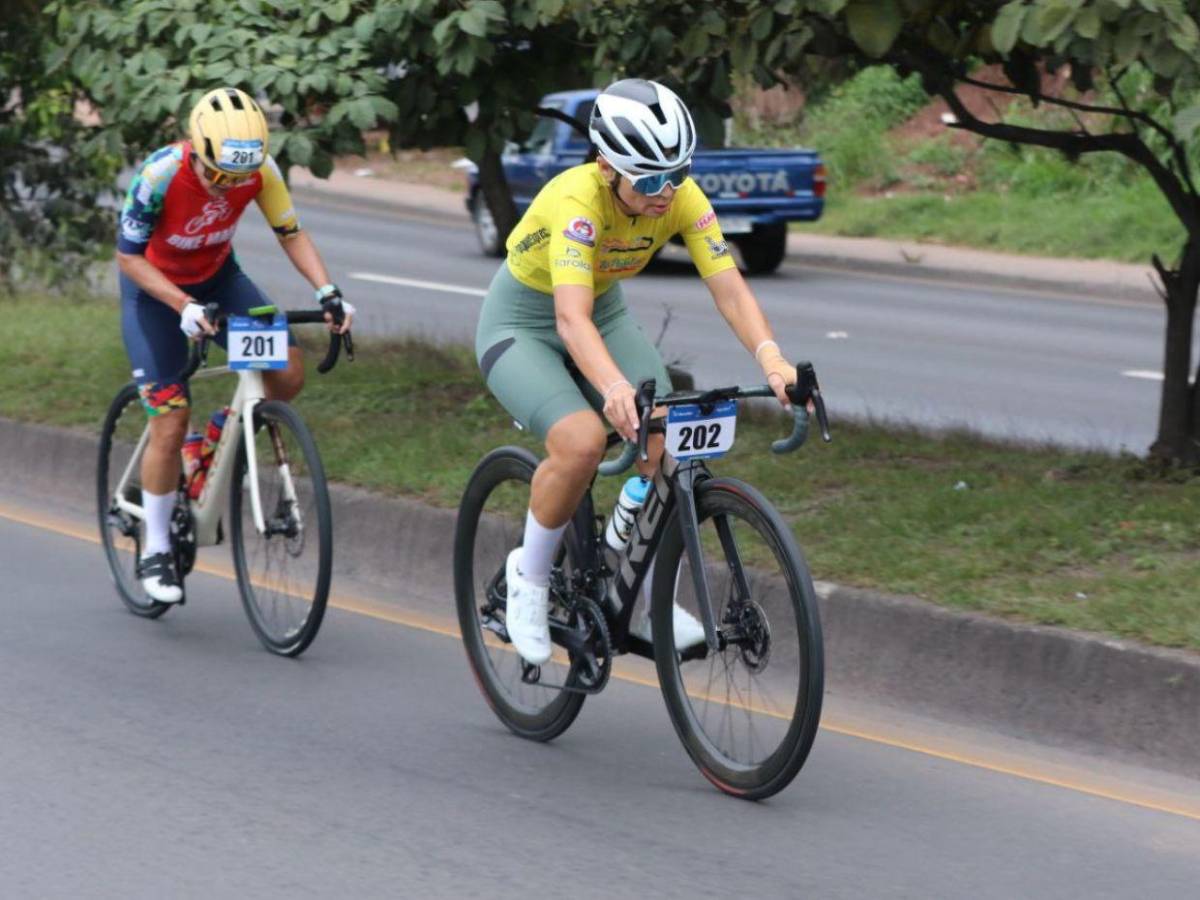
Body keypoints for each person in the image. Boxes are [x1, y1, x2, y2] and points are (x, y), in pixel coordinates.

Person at [475, 78, 801, 665]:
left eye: (676, 174)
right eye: (649, 179)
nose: (664, 192)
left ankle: (645, 595)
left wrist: (772, 358)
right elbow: (571, 322)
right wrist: (615, 387)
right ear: (606, 167)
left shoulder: (680, 196)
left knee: (669, 437)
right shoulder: (578, 202)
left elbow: (728, 288)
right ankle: (527, 580)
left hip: (604, 310)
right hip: (521, 325)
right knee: (578, 443)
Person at [116, 86, 354, 603]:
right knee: (170, 418)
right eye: (218, 175)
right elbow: (128, 258)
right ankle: (155, 547)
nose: (228, 188)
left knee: (288, 371)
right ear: (195, 148)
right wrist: (181, 307)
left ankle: (218, 434)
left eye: (238, 178)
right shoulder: (159, 176)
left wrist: (328, 290)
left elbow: (290, 232)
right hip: (155, 294)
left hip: (220, 281)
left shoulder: (260, 172)